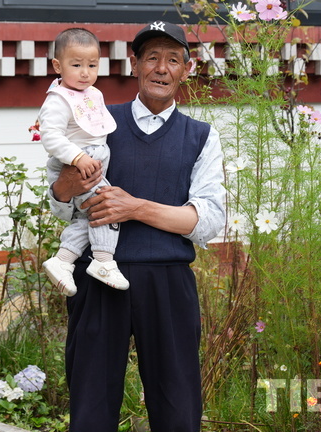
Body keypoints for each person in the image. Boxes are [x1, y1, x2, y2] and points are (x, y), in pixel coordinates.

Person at [48, 21, 226, 432]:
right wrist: (70, 183)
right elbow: (59, 204)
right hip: (97, 278)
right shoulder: (95, 120)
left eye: (172, 59)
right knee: (91, 405)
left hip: (168, 282)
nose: (161, 68)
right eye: (151, 58)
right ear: (134, 65)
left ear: (187, 69)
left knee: (177, 407)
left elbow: (209, 222)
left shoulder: (200, 137)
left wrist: (135, 207)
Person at [38, 28, 129, 296]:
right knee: (105, 207)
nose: (85, 72)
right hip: (75, 164)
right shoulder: (58, 100)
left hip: (91, 161)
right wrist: (77, 157)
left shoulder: (93, 94)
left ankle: (63, 260)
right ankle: (103, 260)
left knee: (86, 216)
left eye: (91, 65)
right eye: (76, 65)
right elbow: (51, 137)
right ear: (58, 65)